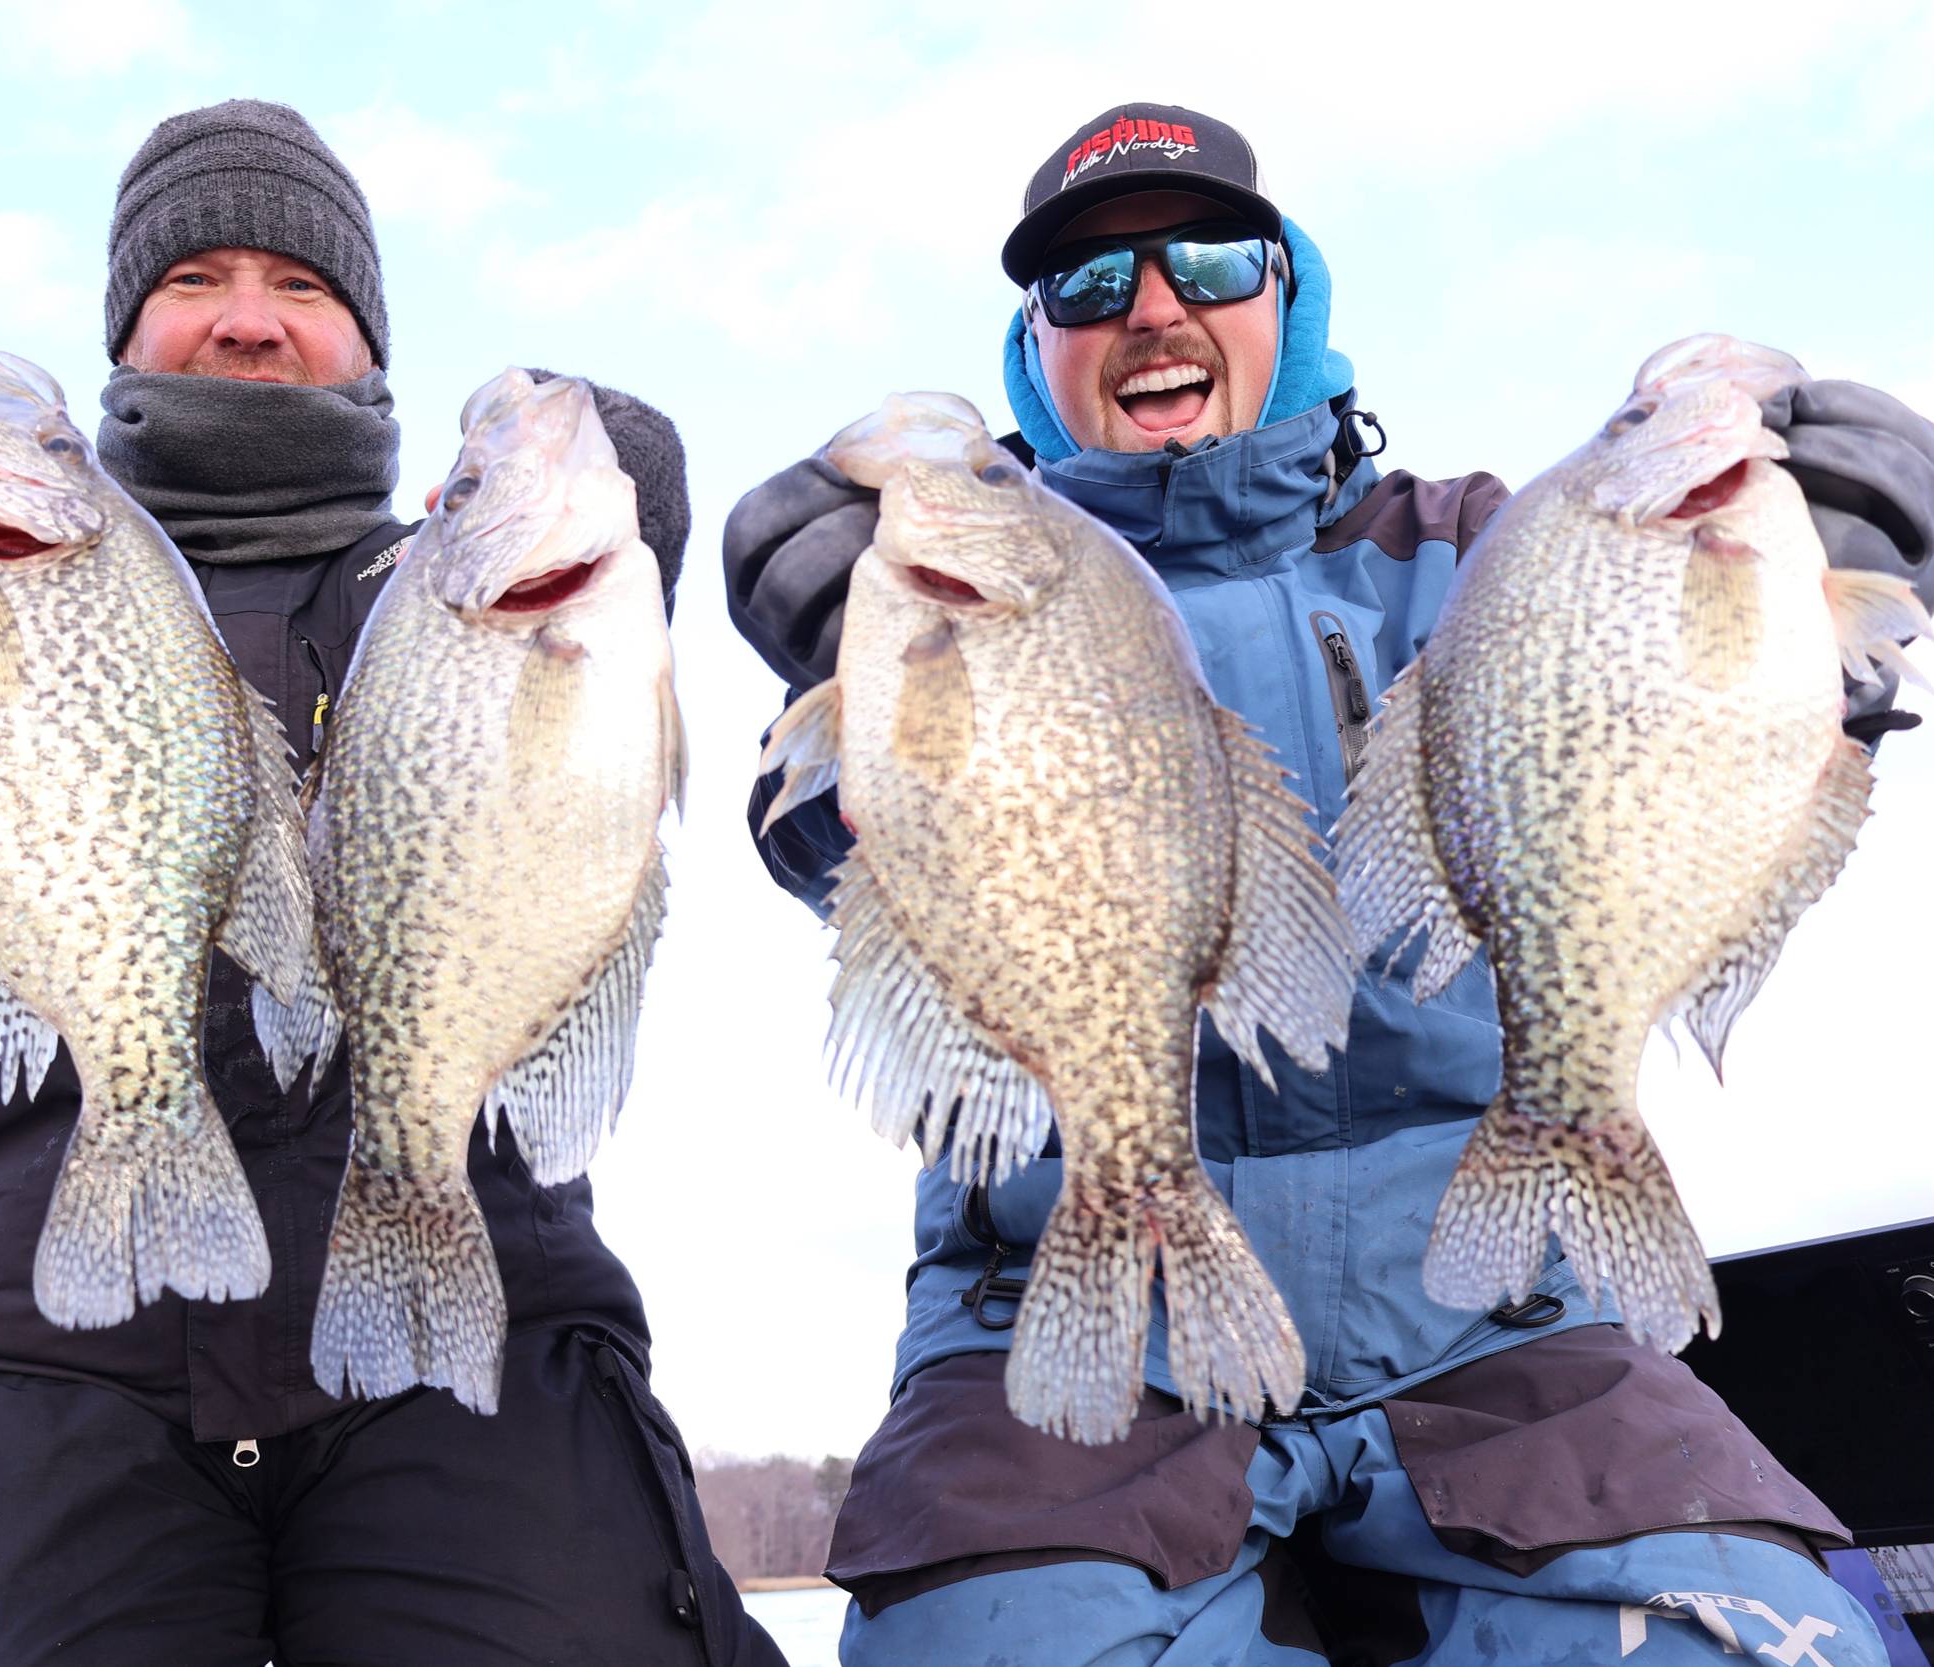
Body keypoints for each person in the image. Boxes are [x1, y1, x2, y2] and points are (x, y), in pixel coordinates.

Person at [724, 101, 1934, 1665]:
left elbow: (1716, 748)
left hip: (1495, 1318)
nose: (1152, 309)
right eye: (1088, 289)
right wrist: (854, 689)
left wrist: (1837, 612)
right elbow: (839, 865)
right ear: (1041, 354)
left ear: (1289, 301)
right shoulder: (957, 597)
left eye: (1211, 261)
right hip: (1067, 1324)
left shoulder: (1498, 555)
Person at [0, 98, 783, 1667]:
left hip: (478, 1332)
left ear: (369, 347)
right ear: (128, 334)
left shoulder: (444, 590)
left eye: (302, 287)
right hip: (7, 1339)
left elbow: (600, 730)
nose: (248, 319)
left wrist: (597, 522)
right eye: (197, 276)